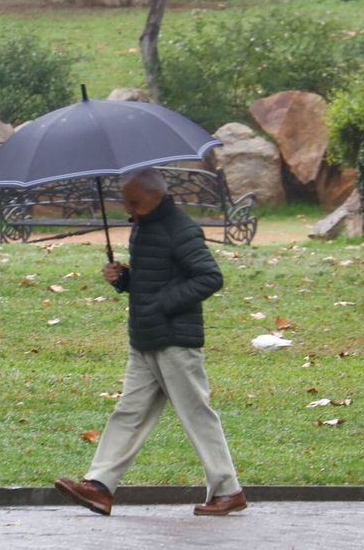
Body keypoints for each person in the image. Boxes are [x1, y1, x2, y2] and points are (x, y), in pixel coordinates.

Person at [55, 168, 246, 517]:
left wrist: (160, 305)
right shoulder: (144, 227)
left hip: (174, 341)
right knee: (128, 411)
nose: (128, 209)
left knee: (195, 415)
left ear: (155, 196)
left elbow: (209, 277)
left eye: (134, 202)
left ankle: (228, 490)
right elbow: (153, 278)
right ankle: (99, 487)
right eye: (125, 202)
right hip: (144, 339)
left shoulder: (180, 229)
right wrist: (123, 279)